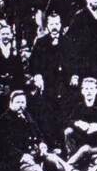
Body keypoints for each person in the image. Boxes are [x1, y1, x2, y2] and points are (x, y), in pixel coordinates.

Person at [0, 90, 97, 171]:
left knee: (52, 158)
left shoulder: (26, 115)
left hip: (32, 154)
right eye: (18, 102)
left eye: (23, 102)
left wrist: (42, 144)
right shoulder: (4, 122)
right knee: (35, 170)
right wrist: (21, 156)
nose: (21, 105)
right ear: (11, 103)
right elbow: (5, 146)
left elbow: (38, 134)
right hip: (13, 161)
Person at [27, 12, 70, 145]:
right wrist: (37, 76)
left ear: (61, 25)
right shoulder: (41, 42)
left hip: (65, 84)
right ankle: (50, 142)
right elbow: (33, 63)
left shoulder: (68, 41)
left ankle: (63, 143)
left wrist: (75, 75)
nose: (55, 27)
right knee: (47, 111)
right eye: (52, 24)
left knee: (64, 111)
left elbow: (76, 61)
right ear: (48, 26)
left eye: (57, 24)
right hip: (48, 83)